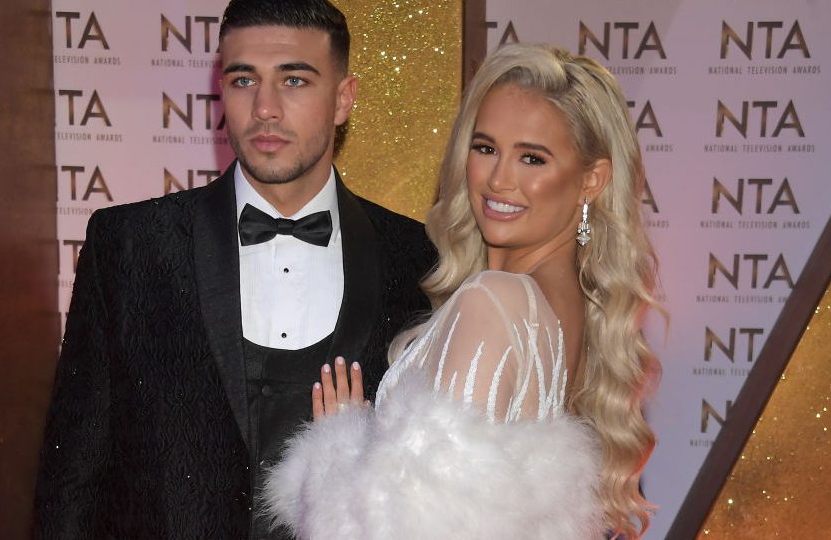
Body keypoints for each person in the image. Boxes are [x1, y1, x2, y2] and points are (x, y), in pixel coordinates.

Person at [33, 0, 435, 540]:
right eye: (244, 80)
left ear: (344, 99)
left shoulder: (420, 258)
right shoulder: (129, 245)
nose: (265, 108)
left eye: (294, 80)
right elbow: (71, 476)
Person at [265, 43, 662, 539]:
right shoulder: (573, 311)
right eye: (486, 148)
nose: (498, 179)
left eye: (532, 159)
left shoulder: (493, 301)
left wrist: (336, 451)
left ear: (591, 180)